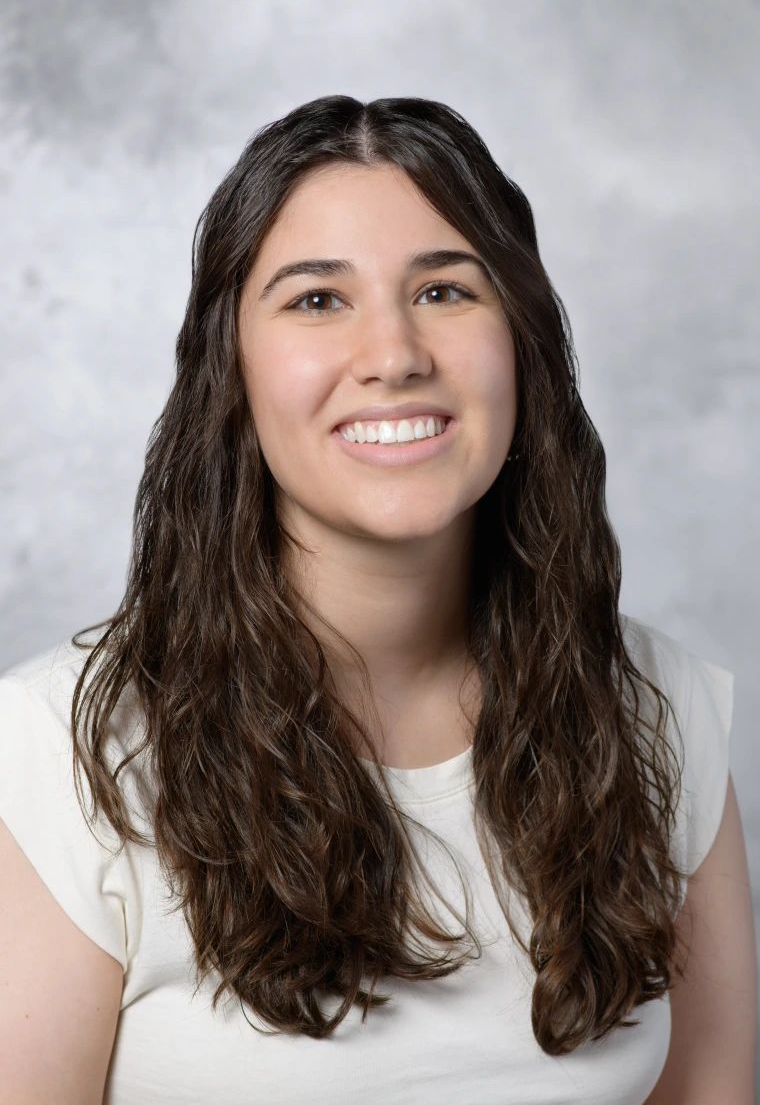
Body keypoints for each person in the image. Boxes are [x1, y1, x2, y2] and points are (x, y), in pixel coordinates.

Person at [0, 95, 755, 1105]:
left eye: (445, 291)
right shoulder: (59, 752)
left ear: (520, 343)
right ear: (233, 367)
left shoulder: (661, 711)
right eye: (317, 300)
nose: (394, 354)